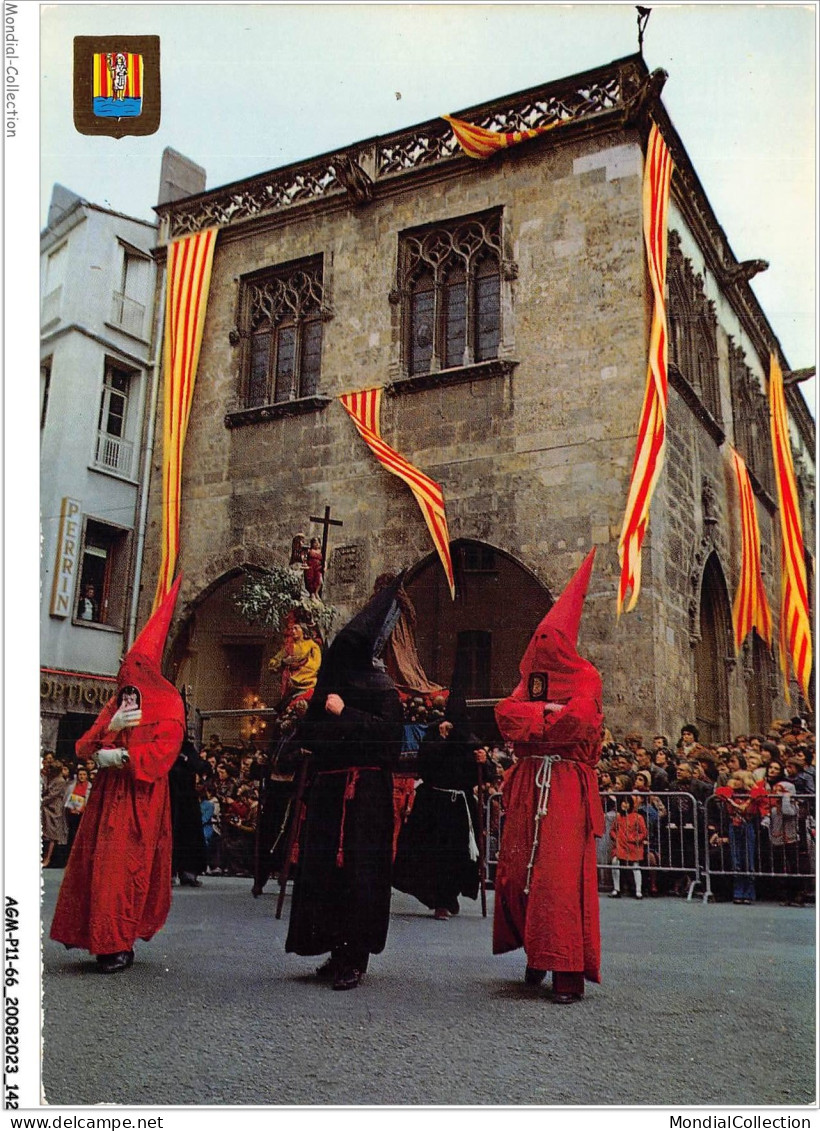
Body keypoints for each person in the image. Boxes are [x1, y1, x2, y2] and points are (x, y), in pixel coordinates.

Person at [49, 579, 185, 973]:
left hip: (141, 801)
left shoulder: (168, 703)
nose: (128, 681)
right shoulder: (118, 700)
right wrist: (112, 728)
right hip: (108, 800)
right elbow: (85, 746)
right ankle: (101, 939)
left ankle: (119, 943)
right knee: (100, 869)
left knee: (125, 872)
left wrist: (123, 755)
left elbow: (163, 753)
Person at [492, 550, 604, 1005]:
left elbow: (577, 722)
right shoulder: (531, 677)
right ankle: (535, 954)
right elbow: (506, 714)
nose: (541, 644)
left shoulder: (586, 677)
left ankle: (566, 971)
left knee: (558, 876)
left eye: (549, 638)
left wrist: (537, 723)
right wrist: (545, 717)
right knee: (519, 873)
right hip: (529, 784)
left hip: (564, 789)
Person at [285, 578, 404, 991]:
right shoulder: (329, 687)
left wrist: (346, 714)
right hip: (330, 794)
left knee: (360, 874)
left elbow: (390, 743)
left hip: (366, 797)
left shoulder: (383, 691)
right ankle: (334, 948)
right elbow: (311, 735)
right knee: (326, 876)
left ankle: (356, 956)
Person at [392, 682, 487, 920]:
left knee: (455, 856)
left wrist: (483, 762)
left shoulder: (470, 738)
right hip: (433, 803)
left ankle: (448, 897)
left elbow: (482, 776)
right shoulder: (434, 732)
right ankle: (438, 900)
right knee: (430, 855)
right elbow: (424, 764)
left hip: (458, 806)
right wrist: (440, 741)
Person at [268, 621, 322, 707]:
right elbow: (272, 663)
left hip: (308, 686)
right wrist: (284, 662)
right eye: (292, 629)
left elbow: (315, 666)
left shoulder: (312, 646)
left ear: (303, 630)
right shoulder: (289, 648)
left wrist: (296, 677)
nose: (293, 631)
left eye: (296, 628)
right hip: (290, 688)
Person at [609, 795, 647, 899]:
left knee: (635, 865)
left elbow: (643, 832)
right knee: (615, 861)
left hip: (633, 846)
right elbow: (612, 830)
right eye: (623, 802)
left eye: (627, 803)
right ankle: (616, 889)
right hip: (620, 845)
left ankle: (638, 891)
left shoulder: (638, 817)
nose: (624, 805)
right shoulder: (618, 817)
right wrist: (616, 837)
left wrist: (635, 839)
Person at [41, 760, 69, 867]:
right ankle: (44, 857)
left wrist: (40, 801)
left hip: (54, 810)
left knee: (53, 836)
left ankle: (48, 858)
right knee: (46, 835)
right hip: (47, 809)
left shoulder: (60, 781)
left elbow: (52, 795)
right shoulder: (52, 778)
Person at [63, 766, 91, 857]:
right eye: (80, 774)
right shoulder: (71, 786)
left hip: (84, 814)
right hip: (72, 814)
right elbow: (66, 799)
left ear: (87, 776)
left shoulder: (91, 787)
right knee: (72, 834)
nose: (82, 776)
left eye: (84, 775)